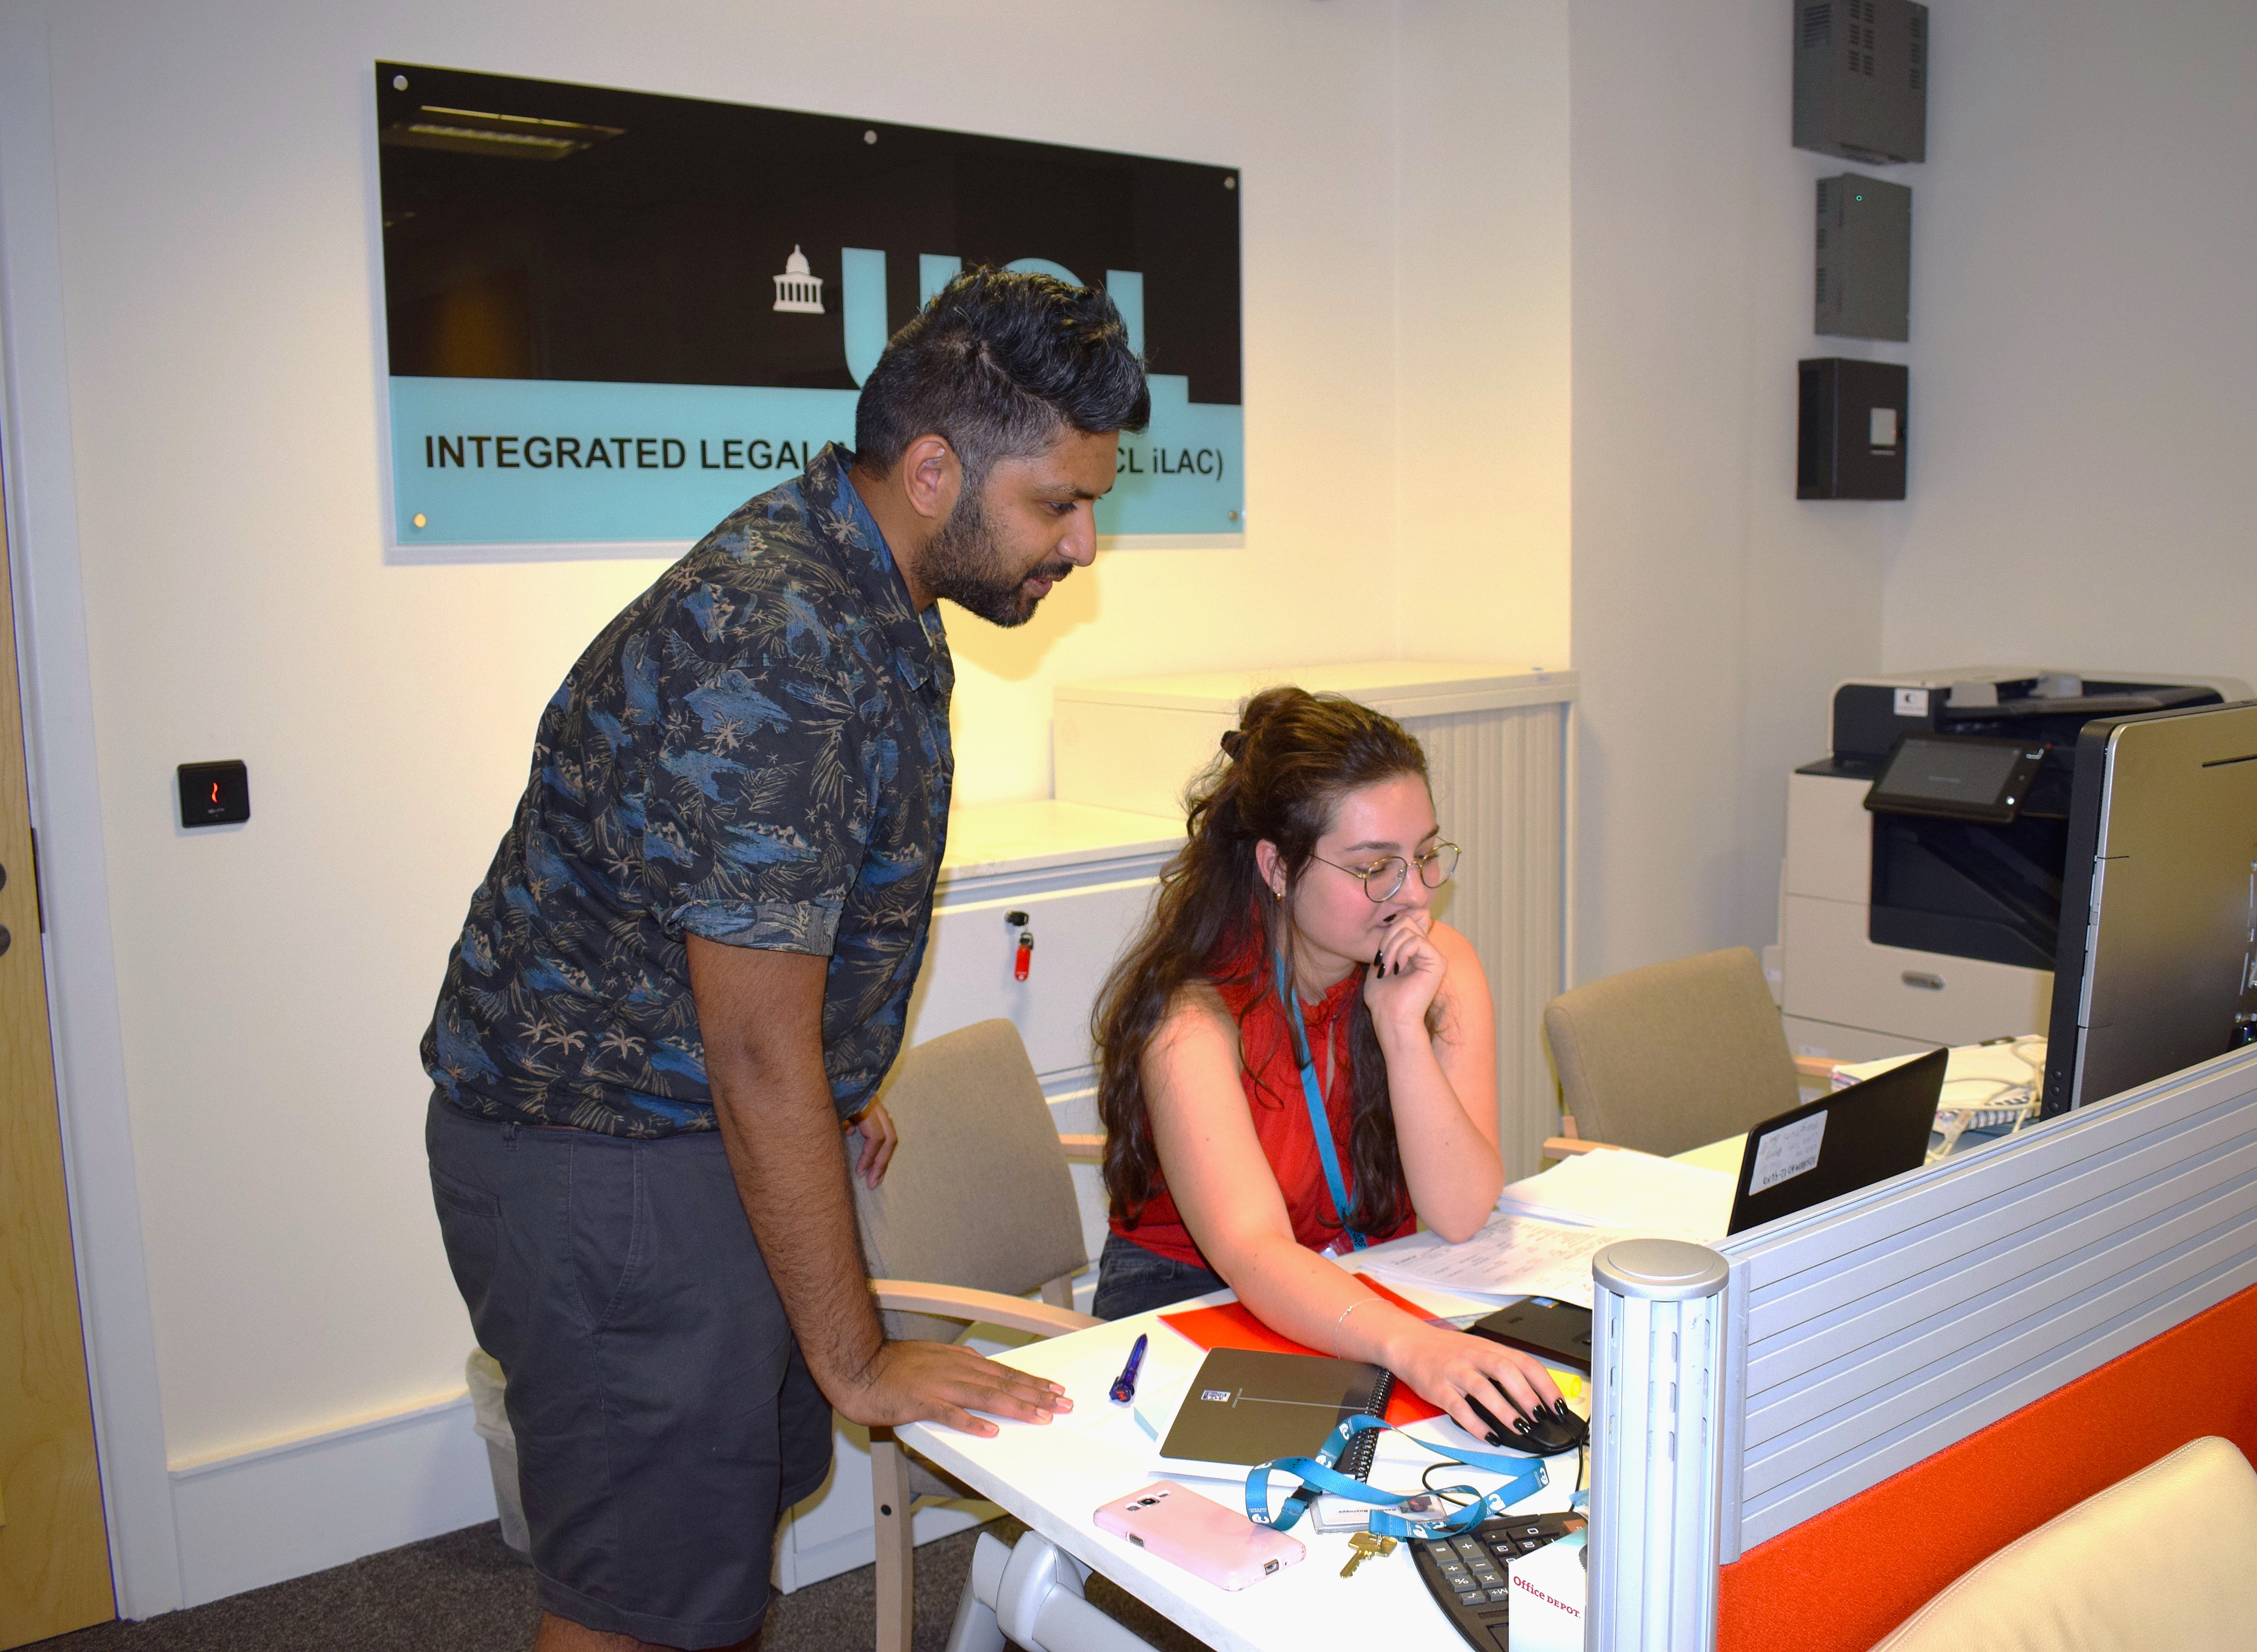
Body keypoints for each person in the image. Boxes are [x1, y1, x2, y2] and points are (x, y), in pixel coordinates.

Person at [420, 269, 1148, 1652]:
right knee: (641, 1594)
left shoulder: (862, 585)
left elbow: (764, 957)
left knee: (704, 1554)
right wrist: (858, 1352)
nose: (1085, 542)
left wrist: (825, 1082)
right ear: (935, 471)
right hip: (610, 1156)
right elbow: (753, 1044)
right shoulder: (779, 637)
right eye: (1058, 501)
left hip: (681, 1123)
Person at [1089, 688, 1567, 1443]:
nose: (1412, 894)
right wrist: (1416, 1346)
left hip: (1361, 1275)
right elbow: (1255, 1255)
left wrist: (1401, 1029)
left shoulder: (1441, 970)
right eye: (1374, 867)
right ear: (1277, 869)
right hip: (1194, 1300)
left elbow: (1461, 1210)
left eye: (1423, 856)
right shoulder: (1192, 1022)